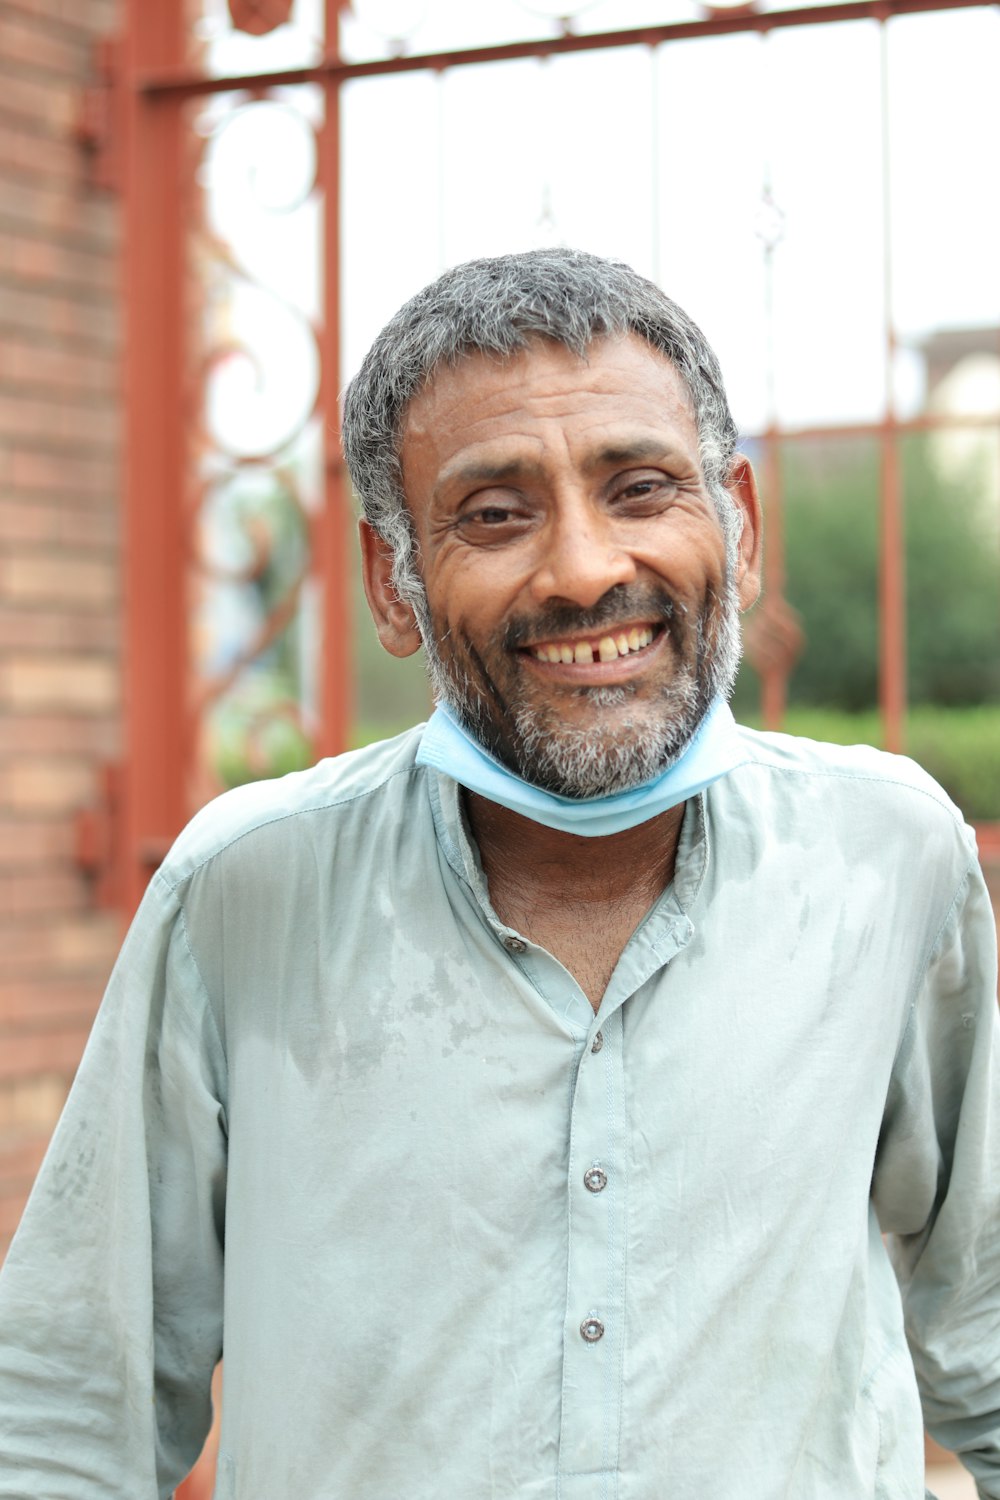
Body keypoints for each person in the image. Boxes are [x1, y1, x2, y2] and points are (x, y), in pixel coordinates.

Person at [0, 248, 997, 1500]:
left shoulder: (886, 858)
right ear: (391, 581)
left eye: (640, 489)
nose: (583, 569)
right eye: (494, 514)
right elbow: (66, 1413)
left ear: (736, 528)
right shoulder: (244, 890)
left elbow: (990, 1332)